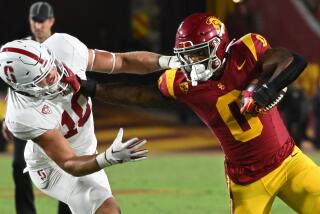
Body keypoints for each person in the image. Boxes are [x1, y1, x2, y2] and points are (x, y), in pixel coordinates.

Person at [88, 13, 320, 213]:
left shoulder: (246, 51)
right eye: (187, 55)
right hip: (247, 180)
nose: (192, 62)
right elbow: (141, 95)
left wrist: (264, 89)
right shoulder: (181, 82)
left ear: (218, 46)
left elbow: (292, 61)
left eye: (199, 53)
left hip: (288, 161)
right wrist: (96, 89)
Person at [0, 30, 178, 213]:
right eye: (43, 77)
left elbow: (122, 61)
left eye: (50, 64)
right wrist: (108, 158)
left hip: (85, 152)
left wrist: (168, 61)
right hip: (52, 167)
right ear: (25, 88)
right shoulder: (23, 115)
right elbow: (70, 163)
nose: (53, 73)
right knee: (108, 210)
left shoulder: (62, 46)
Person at [1, 2, 72, 214]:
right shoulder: (21, 47)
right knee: (18, 166)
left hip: (57, 118)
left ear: (51, 21)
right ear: (30, 21)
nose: (38, 25)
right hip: (27, 117)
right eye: (35, 20)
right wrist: (7, 118)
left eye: (42, 21)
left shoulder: (62, 45)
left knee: (66, 167)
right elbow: (13, 86)